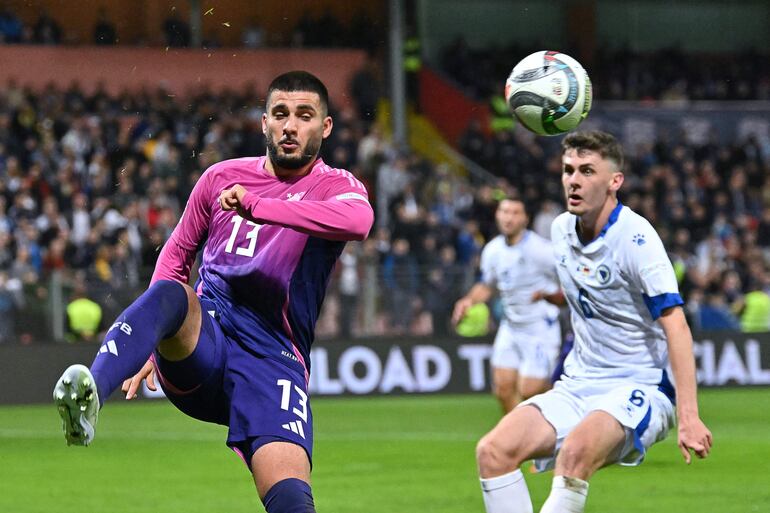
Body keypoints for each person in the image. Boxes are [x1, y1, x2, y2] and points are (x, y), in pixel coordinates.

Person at [53, 71, 374, 513]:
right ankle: (93, 394)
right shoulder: (221, 176)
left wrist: (260, 207)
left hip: (274, 357)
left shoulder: (336, 186)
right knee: (175, 293)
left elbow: (358, 223)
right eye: (280, 114)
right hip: (208, 336)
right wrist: (149, 341)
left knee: (291, 498)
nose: (290, 126)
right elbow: (176, 252)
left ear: (326, 126)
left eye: (304, 115)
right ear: (264, 123)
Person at [475, 131, 712, 513]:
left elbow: (676, 325)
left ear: (614, 181)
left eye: (587, 170)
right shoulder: (559, 230)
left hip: (639, 386)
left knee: (575, 453)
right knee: (492, 451)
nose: (574, 179)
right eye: (569, 170)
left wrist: (688, 416)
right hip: (579, 384)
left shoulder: (637, 240)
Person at [452, 198, 562, 413]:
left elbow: (570, 280)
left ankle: (556, 427)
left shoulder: (541, 250)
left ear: (525, 219)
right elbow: (487, 285)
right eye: (504, 212)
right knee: (502, 389)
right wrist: (468, 300)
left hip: (539, 328)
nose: (508, 217)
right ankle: (519, 440)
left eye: (515, 213)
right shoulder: (492, 250)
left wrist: (553, 296)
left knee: (530, 391)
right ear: (497, 215)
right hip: (510, 328)